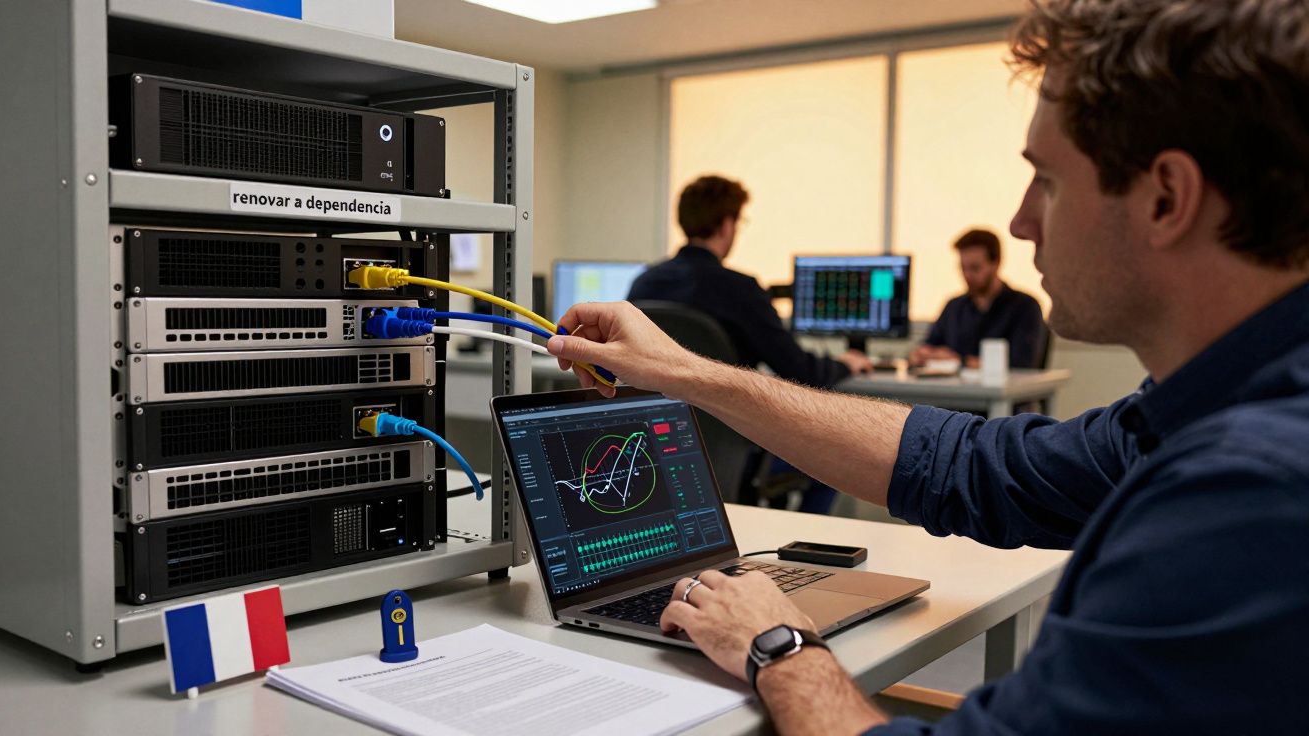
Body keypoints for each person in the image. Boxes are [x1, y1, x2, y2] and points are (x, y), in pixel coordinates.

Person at [545, 1, 1309, 733]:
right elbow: (974, 464)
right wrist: (686, 372)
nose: (1020, 220)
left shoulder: (1250, 498)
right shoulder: (1201, 416)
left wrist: (780, 646)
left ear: (1166, 198)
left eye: (1046, 178)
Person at [627, 174, 874, 387]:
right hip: (729, 431)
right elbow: (800, 371)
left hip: (665, 429)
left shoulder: (644, 283)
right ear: (726, 225)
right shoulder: (740, 289)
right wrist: (843, 364)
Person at [910, 229, 1047, 368]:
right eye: (963, 268)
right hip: (953, 388)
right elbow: (929, 345)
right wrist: (922, 355)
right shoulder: (954, 307)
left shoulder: (1025, 308)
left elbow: (1021, 364)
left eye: (975, 268)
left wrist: (959, 361)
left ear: (996, 263)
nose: (967, 275)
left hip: (1001, 389)